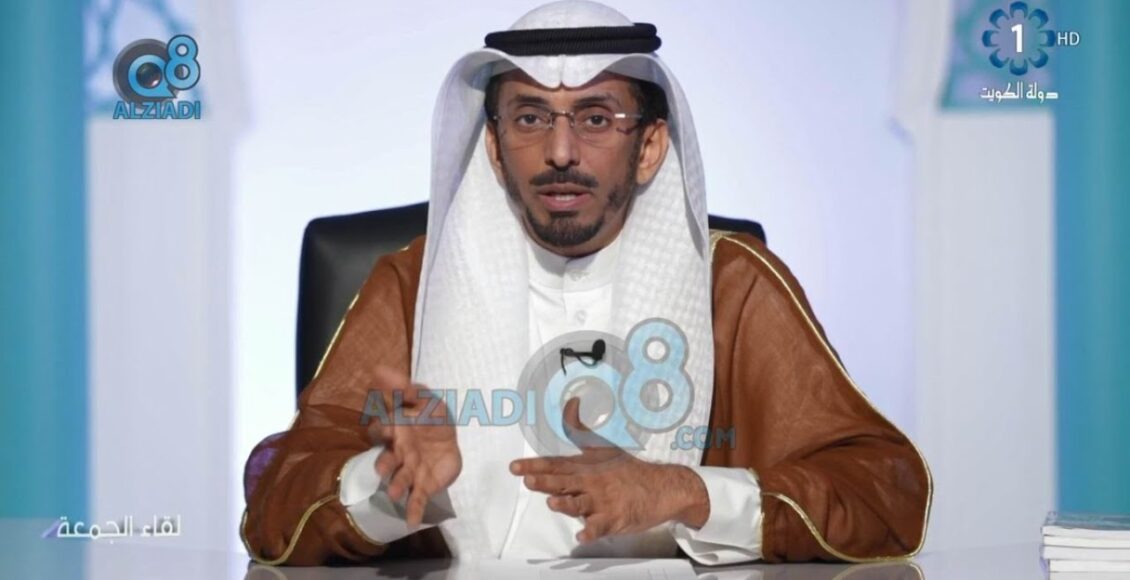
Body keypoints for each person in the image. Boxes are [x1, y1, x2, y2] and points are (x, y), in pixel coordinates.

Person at [240, 0, 931, 566]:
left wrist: (684, 492)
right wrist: (388, 485)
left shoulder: (731, 285)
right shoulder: (412, 284)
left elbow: (884, 492)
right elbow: (274, 497)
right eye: (530, 118)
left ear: (649, 146)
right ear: (494, 146)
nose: (561, 151)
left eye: (597, 119)